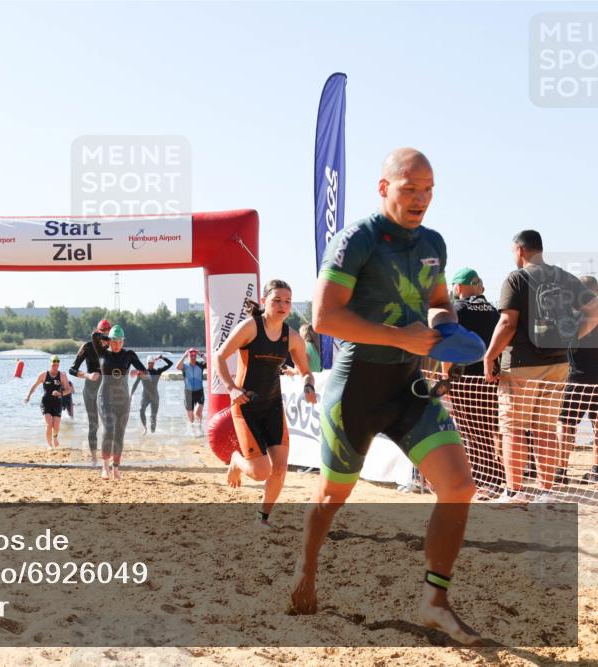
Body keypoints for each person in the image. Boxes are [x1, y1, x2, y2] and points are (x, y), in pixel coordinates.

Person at [291, 148, 481, 646]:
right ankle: (306, 569)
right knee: (331, 498)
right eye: (410, 188)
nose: (421, 198)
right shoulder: (358, 239)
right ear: (384, 188)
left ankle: (434, 600)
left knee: (459, 486)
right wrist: (401, 337)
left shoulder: (434, 243)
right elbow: (324, 318)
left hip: (408, 387)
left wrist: (446, 330)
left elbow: (439, 302)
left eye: (428, 189)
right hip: (355, 391)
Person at [483, 231, 598, 503]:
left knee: (513, 429)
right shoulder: (565, 277)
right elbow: (594, 311)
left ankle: (515, 491)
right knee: (545, 428)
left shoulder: (517, 278)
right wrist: (572, 337)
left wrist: (489, 356)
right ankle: (546, 492)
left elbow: (507, 323)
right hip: (558, 364)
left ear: (520, 250)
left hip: (521, 364)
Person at [214, 280, 316, 527]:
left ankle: (263, 517)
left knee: (280, 468)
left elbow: (306, 372)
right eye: (277, 300)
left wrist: (308, 386)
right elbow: (219, 356)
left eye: (287, 301)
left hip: (272, 407)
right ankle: (236, 461)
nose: (283, 306)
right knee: (261, 472)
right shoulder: (250, 327)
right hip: (246, 407)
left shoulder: (292, 337)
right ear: (264, 302)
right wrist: (231, 388)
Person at [446, 268, 504, 499]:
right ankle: (490, 475)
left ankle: (488, 479)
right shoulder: (493, 310)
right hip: (490, 377)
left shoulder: (456, 310)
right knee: (488, 429)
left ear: (458, 287)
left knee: (472, 431)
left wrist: (446, 379)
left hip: (464, 379)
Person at [85, 325, 147, 480]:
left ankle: (116, 467)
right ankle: (105, 467)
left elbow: (145, 372)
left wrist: (138, 372)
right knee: (109, 428)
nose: (117, 345)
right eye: (114, 342)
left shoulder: (129, 355)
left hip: (123, 399)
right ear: (109, 341)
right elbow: (94, 336)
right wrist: (106, 338)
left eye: (120, 342)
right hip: (105, 397)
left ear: (123, 342)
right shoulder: (102, 353)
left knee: (120, 433)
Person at [558, 275, 598, 483]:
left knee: (566, 423)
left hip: (576, 377)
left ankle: (561, 470)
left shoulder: (573, 316)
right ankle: (596, 470)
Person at [70, 319, 111, 463]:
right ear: (98, 331)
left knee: (109, 423)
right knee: (94, 424)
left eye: (107, 331)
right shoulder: (87, 347)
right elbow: (72, 369)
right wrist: (88, 375)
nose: (105, 334)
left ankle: (107, 456)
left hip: (106, 389)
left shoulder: (111, 346)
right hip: (90, 390)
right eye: (102, 331)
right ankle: (94, 458)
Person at [25, 355, 71, 449]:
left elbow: (68, 389)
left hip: (57, 403)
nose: (55, 367)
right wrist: (28, 396)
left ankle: (55, 437)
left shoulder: (62, 376)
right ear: (50, 364)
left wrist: (60, 393)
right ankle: (49, 445)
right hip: (46, 402)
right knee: (49, 424)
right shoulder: (43, 375)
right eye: (54, 365)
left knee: (56, 426)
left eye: (57, 365)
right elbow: (34, 386)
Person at [130, 354, 172, 434]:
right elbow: (135, 384)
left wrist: (162, 357)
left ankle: (153, 434)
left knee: (153, 417)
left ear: (154, 363)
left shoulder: (157, 371)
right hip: (145, 395)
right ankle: (145, 428)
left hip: (154, 396)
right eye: (149, 363)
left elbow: (170, 364)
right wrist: (131, 394)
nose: (151, 364)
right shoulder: (142, 372)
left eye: (152, 363)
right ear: (147, 363)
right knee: (141, 410)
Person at [176, 348, 207, 435]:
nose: (193, 357)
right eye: (191, 356)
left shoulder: (200, 365)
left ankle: (200, 428)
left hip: (199, 392)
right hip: (188, 393)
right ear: (188, 356)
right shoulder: (185, 366)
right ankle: (193, 431)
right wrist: (184, 356)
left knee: (198, 412)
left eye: (194, 355)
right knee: (191, 417)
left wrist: (201, 354)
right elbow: (177, 367)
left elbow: (211, 362)